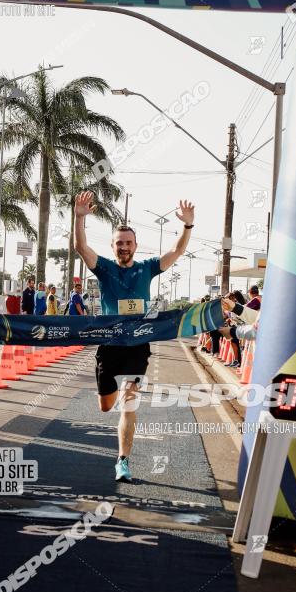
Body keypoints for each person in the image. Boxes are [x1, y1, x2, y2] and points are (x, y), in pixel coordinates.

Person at [74, 190, 195, 481]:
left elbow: (177, 252)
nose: (124, 247)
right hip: (109, 346)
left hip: (137, 345)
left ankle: (123, 461)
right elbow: (81, 248)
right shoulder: (103, 269)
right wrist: (79, 219)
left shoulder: (147, 268)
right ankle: (109, 397)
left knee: (129, 403)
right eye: (119, 243)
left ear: (136, 245)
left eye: (128, 242)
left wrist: (187, 226)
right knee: (106, 406)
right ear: (113, 246)